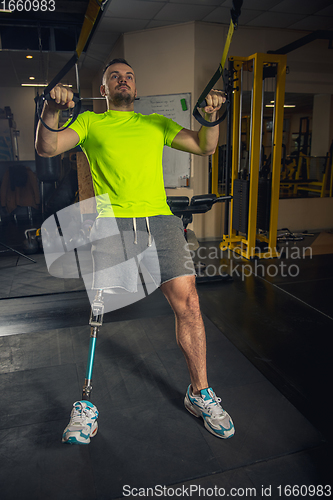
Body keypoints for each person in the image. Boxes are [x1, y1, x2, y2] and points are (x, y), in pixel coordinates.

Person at [35, 58, 235, 444]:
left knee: (189, 303)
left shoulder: (155, 124)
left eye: (129, 76)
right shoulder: (91, 123)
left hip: (160, 221)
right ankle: (86, 408)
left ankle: (200, 393)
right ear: (105, 89)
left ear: (136, 88)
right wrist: (52, 110)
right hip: (113, 224)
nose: (123, 80)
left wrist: (212, 115)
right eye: (115, 77)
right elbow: (47, 147)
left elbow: (205, 147)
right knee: (99, 311)